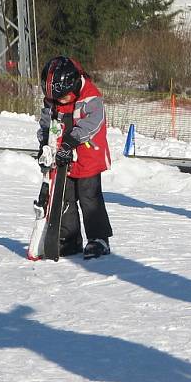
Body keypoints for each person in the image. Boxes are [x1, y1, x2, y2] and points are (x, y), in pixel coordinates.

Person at [37, 56, 113, 259]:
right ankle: (70, 240)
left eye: (63, 97)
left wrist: (70, 142)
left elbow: (92, 124)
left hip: (88, 156)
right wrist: (44, 144)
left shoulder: (91, 97)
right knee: (64, 198)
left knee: (90, 198)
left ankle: (99, 239)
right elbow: (47, 122)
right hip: (63, 158)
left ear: (75, 84)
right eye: (55, 98)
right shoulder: (54, 98)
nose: (59, 101)